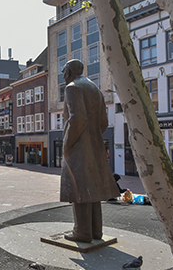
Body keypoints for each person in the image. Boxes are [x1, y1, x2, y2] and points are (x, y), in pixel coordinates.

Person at [59, 60, 119, 243]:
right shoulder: (95, 89)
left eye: (64, 72)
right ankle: (95, 231)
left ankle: (82, 232)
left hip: (79, 145)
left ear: (68, 71)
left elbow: (78, 118)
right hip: (95, 145)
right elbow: (103, 123)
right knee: (92, 190)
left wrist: (67, 144)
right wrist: (92, 136)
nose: (63, 76)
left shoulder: (72, 87)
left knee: (79, 189)